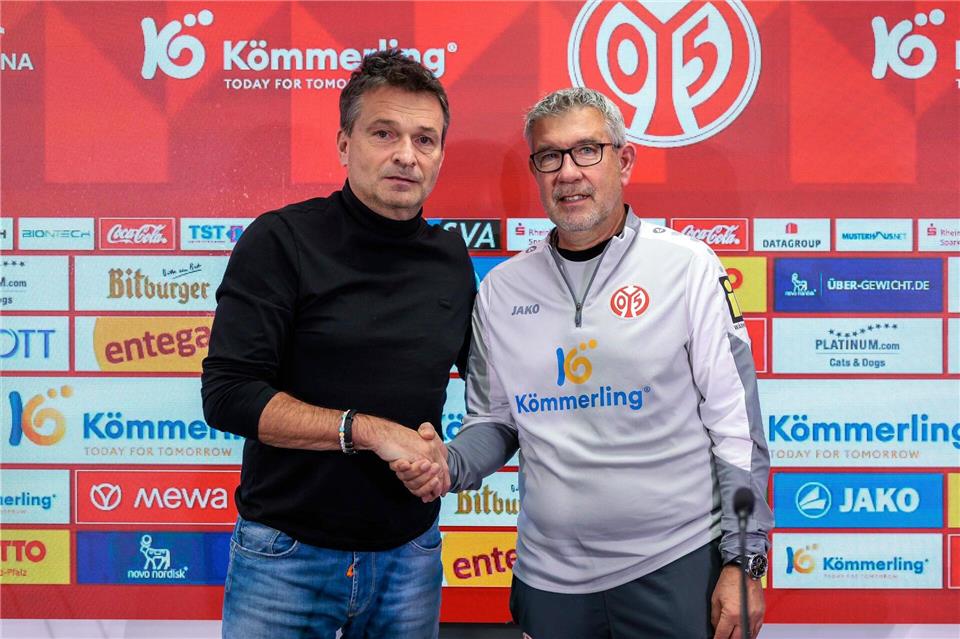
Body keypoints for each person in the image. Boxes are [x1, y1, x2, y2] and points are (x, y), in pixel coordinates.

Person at [393, 87, 773, 639]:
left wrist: (745, 562)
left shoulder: (687, 267)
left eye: (587, 151)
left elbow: (736, 431)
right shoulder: (500, 289)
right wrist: (446, 464)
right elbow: (494, 422)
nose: (568, 172)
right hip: (550, 581)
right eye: (549, 157)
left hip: (677, 566)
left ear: (624, 159)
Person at [201, 50, 473, 639]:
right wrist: (368, 430)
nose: (406, 154)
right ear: (345, 144)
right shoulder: (280, 241)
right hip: (286, 558)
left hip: (410, 557)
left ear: (441, 155)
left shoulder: (452, 260)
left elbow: (496, 395)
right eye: (384, 133)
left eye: (425, 139)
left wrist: (445, 461)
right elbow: (228, 395)